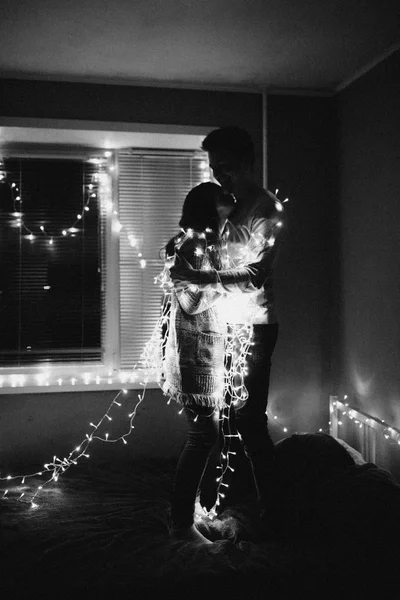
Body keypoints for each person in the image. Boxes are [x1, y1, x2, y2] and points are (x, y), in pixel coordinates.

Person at [169, 127, 285, 519]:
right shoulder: (222, 205)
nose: (220, 175)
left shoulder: (265, 209)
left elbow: (255, 275)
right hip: (218, 328)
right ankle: (213, 504)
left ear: (248, 163)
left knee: (249, 422)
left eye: (227, 167)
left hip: (253, 328)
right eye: (214, 167)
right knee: (213, 425)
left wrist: (204, 281)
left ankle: (272, 510)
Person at [162, 182, 235, 545]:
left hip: (207, 355)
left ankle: (195, 511)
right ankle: (180, 524)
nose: (225, 224)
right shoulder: (190, 246)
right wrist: (224, 283)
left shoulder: (204, 245)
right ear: (207, 213)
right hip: (195, 358)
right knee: (202, 437)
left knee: (211, 436)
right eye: (222, 216)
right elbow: (190, 304)